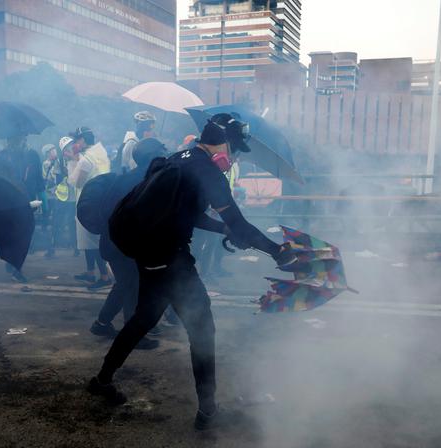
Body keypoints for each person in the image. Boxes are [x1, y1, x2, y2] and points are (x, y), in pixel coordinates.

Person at [88, 114, 296, 430]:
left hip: (150, 253)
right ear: (224, 142)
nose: (235, 156)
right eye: (235, 149)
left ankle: (101, 381)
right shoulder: (207, 172)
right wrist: (277, 251)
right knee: (202, 331)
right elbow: (240, 224)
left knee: (143, 319)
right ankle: (208, 413)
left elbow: (190, 213)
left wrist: (222, 228)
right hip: (170, 258)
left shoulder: (180, 158)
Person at [90, 138, 169, 349]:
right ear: (153, 157)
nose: (166, 156)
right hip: (126, 245)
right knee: (133, 286)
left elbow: (105, 210)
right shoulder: (148, 181)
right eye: (162, 152)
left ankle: (101, 323)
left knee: (125, 284)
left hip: (114, 242)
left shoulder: (128, 178)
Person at [0, 133, 46, 282]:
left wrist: (41, 198)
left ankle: (12, 263)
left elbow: (38, 178)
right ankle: (16, 268)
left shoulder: (31, 155)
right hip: (9, 201)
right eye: (13, 139)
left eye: (20, 139)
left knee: (23, 234)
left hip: (28, 200)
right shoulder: (2, 156)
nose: (18, 141)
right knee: (17, 235)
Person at [69, 127, 112, 289]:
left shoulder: (86, 159)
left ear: (83, 140)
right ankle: (90, 272)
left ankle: (104, 276)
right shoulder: (100, 153)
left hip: (87, 204)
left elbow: (76, 182)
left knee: (92, 242)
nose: (75, 144)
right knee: (89, 241)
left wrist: (73, 160)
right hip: (100, 200)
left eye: (76, 141)